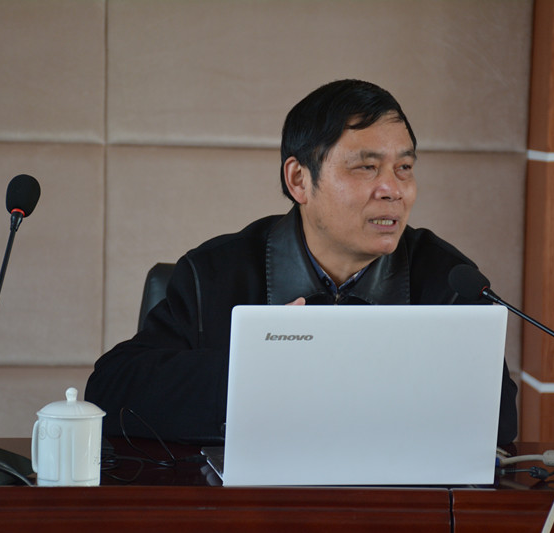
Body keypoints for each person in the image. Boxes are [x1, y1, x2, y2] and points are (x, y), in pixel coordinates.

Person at [85, 79, 518, 446]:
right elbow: (110, 390)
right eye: (366, 167)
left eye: (404, 167)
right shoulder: (215, 273)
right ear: (299, 180)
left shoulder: (450, 281)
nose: (393, 189)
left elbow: (498, 423)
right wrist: (256, 368)